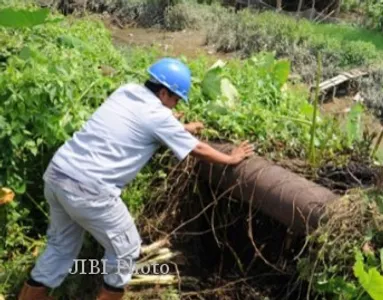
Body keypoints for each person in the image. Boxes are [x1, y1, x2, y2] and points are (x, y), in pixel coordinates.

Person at [18, 58, 255, 300]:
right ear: (164, 93)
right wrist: (231, 159)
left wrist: (179, 127)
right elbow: (198, 150)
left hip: (58, 173)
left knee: (60, 248)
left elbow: (135, 123)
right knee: (126, 250)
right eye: (174, 100)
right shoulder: (158, 116)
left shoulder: (126, 91)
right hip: (89, 188)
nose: (173, 107)